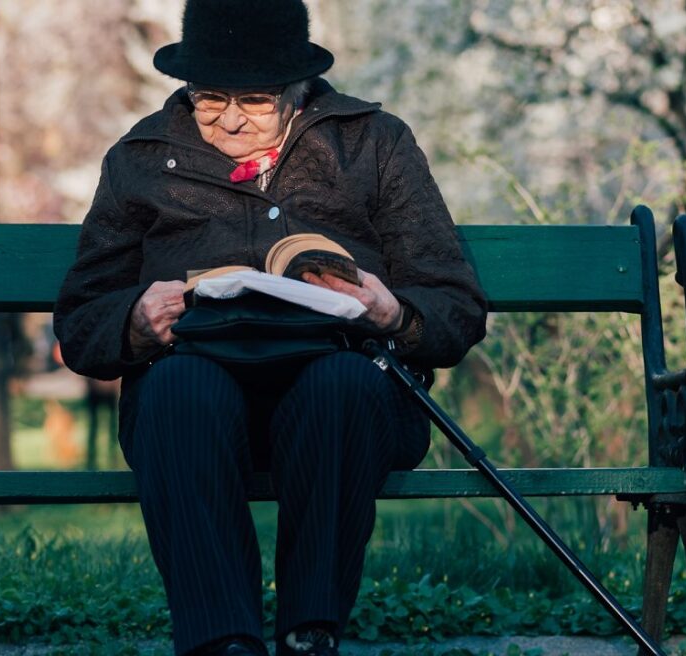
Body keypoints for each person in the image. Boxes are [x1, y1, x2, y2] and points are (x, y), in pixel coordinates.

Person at [53, 0, 487, 654]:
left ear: (298, 90)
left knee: (338, 386)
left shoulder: (372, 143)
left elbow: (455, 302)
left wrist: (392, 312)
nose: (228, 118)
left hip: (340, 393)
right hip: (195, 395)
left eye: (253, 100)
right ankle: (221, 641)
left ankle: (310, 633)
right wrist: (137, 322)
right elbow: (83, 319)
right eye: (208, 99)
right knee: (177, 393)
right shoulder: (141, 157)